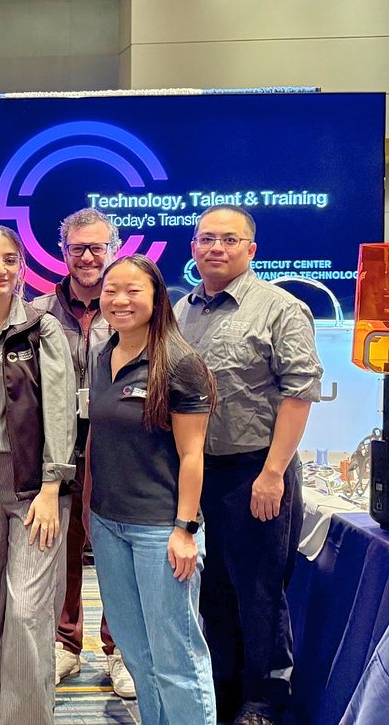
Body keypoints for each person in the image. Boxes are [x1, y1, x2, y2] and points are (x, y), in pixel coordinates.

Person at [173, 205, 323, 725]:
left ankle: (263, 700)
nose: (216, 247)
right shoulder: (181, 311)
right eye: (206, 238)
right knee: (210, 588)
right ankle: (225, 689)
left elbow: (299, 392)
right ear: (193, 247)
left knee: (258, 590)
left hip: (256, 471)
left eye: (229, 239)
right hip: (196, 473)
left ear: (251, 249)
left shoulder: (279, 308)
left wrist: (273, 473)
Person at [88, 254, 218, 725]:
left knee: (177, 658)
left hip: (160, 531)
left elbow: (191, 454)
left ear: (157, 297)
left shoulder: (180, 363)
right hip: (108, 526)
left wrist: (184, 528)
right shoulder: (105, 354)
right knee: (137, 651)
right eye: (111, 291)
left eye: (133, 291)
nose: (119, 300)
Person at [0, 226, 75, 723]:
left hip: (35, 484)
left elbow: (60, 408)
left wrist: (52, 485)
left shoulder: (42, 328)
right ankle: (12, 713)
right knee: (0, 609)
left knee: (29, 610)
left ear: (22, 267)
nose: (0, 269)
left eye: (10, 259)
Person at [30, 208, 135, 697]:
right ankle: (65, 644)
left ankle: (121, 652)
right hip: (58, 444)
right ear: (63, 252)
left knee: (116, 549)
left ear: (112, 250)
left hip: (120, 444)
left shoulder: (134, 308)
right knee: (61, 547)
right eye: (78, 248)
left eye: (97, 247)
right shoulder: (37, 312)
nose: (88, 257)